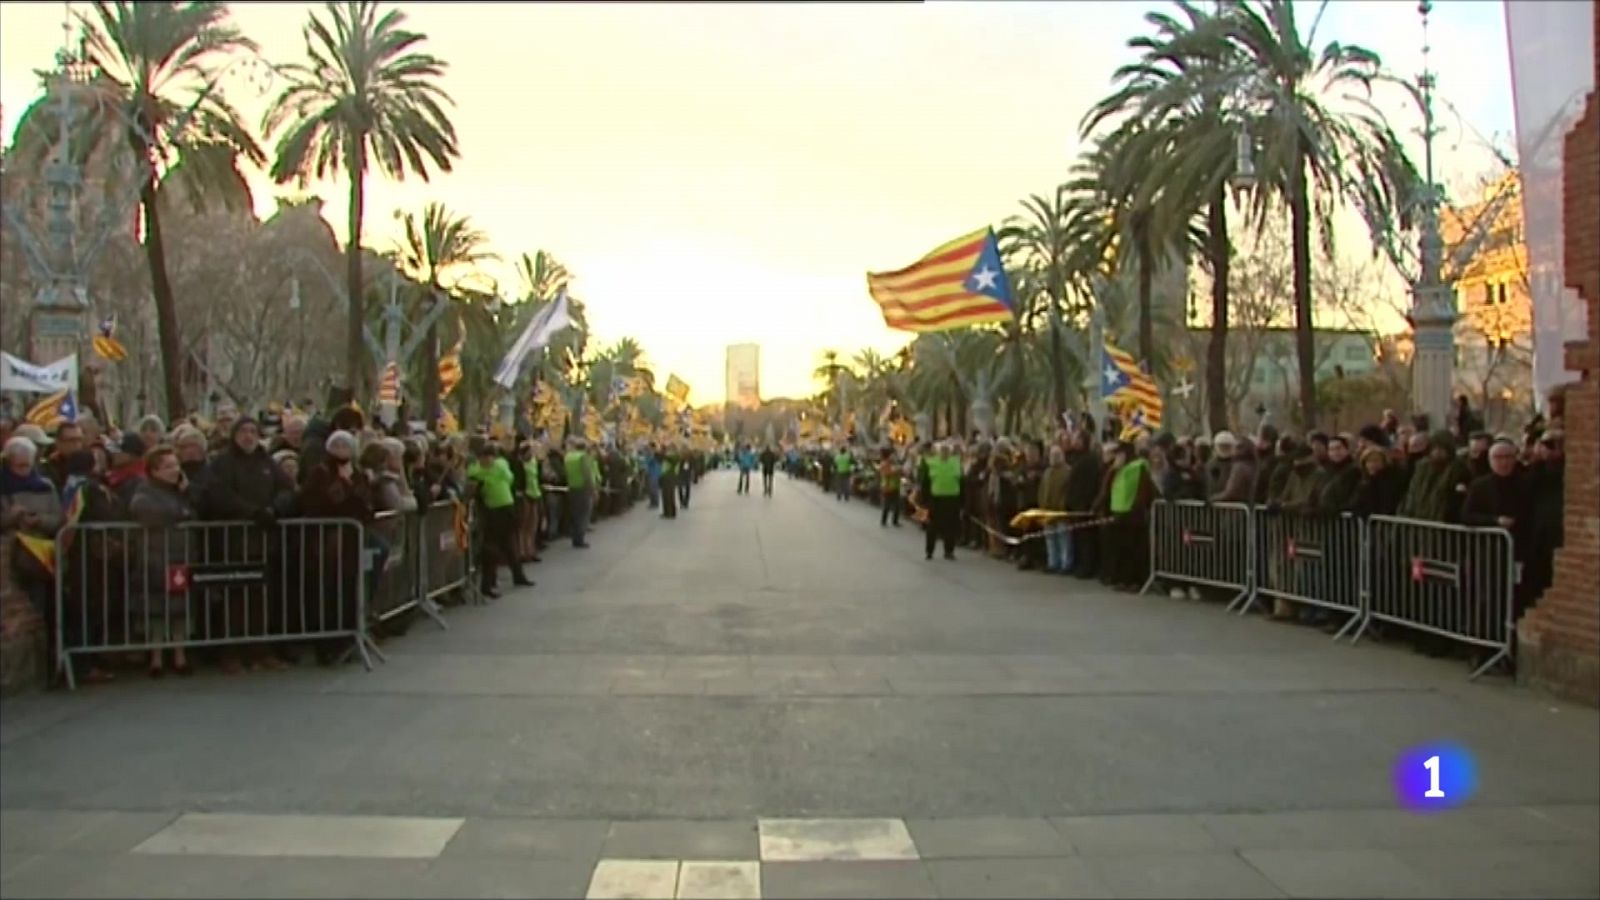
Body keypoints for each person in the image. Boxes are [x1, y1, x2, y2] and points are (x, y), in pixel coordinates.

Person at [128, 447, 196, 678]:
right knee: (155, 608)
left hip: (180, 555)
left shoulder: (181, 491)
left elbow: (194, 512)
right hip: (155, 556)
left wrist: (185, 498)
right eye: (167, 466)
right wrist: (180, 512)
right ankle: (156, 658)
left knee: (180, 607)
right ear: (154, 470)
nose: (174, 470)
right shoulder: (145, 490)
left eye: (176, 465)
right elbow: (144, 510)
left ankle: (180, 655)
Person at [467, 442, 531, 598]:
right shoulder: (477, 470)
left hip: (506, 507)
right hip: (492, 511)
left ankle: (518, 575)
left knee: (510, 544)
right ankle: (488, 584)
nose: (487, 461)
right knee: (492, 548)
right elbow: (472, 476)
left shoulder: (500, 466)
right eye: (484, 458)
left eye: (490, 457)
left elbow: (509, 478)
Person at [918, 440, 962, 560]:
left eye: (947, 450)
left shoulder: (956, 462)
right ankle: (929, 551)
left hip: (952, 498)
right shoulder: (931, 463)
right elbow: (925, 483)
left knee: (950, 526)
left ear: (950, 452)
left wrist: (962, 501)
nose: (945, 453)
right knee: (932, 526)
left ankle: (949, 551)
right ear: (938, 452)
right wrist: (924, 501)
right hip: (936, 499)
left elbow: (962, 482)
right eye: (942, 450)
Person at [564, 438, 596, 548]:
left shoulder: (568, 457)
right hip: (583, 488)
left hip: (572, 487)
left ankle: (574, 537)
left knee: (575, 514)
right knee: (584, 514)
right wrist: (592, 489)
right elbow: (587, 474)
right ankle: (580, 539)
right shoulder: (583, 457)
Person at [878, 447, 901, 527]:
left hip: (894, 486)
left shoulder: (890, 463)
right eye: (892, 455)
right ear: (888, 455)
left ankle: (895, 521)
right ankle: (884, 521)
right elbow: (888, 473)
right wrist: (897, 471)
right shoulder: (885, 464)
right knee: (887, 505)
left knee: (897, 505)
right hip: (888, 487)